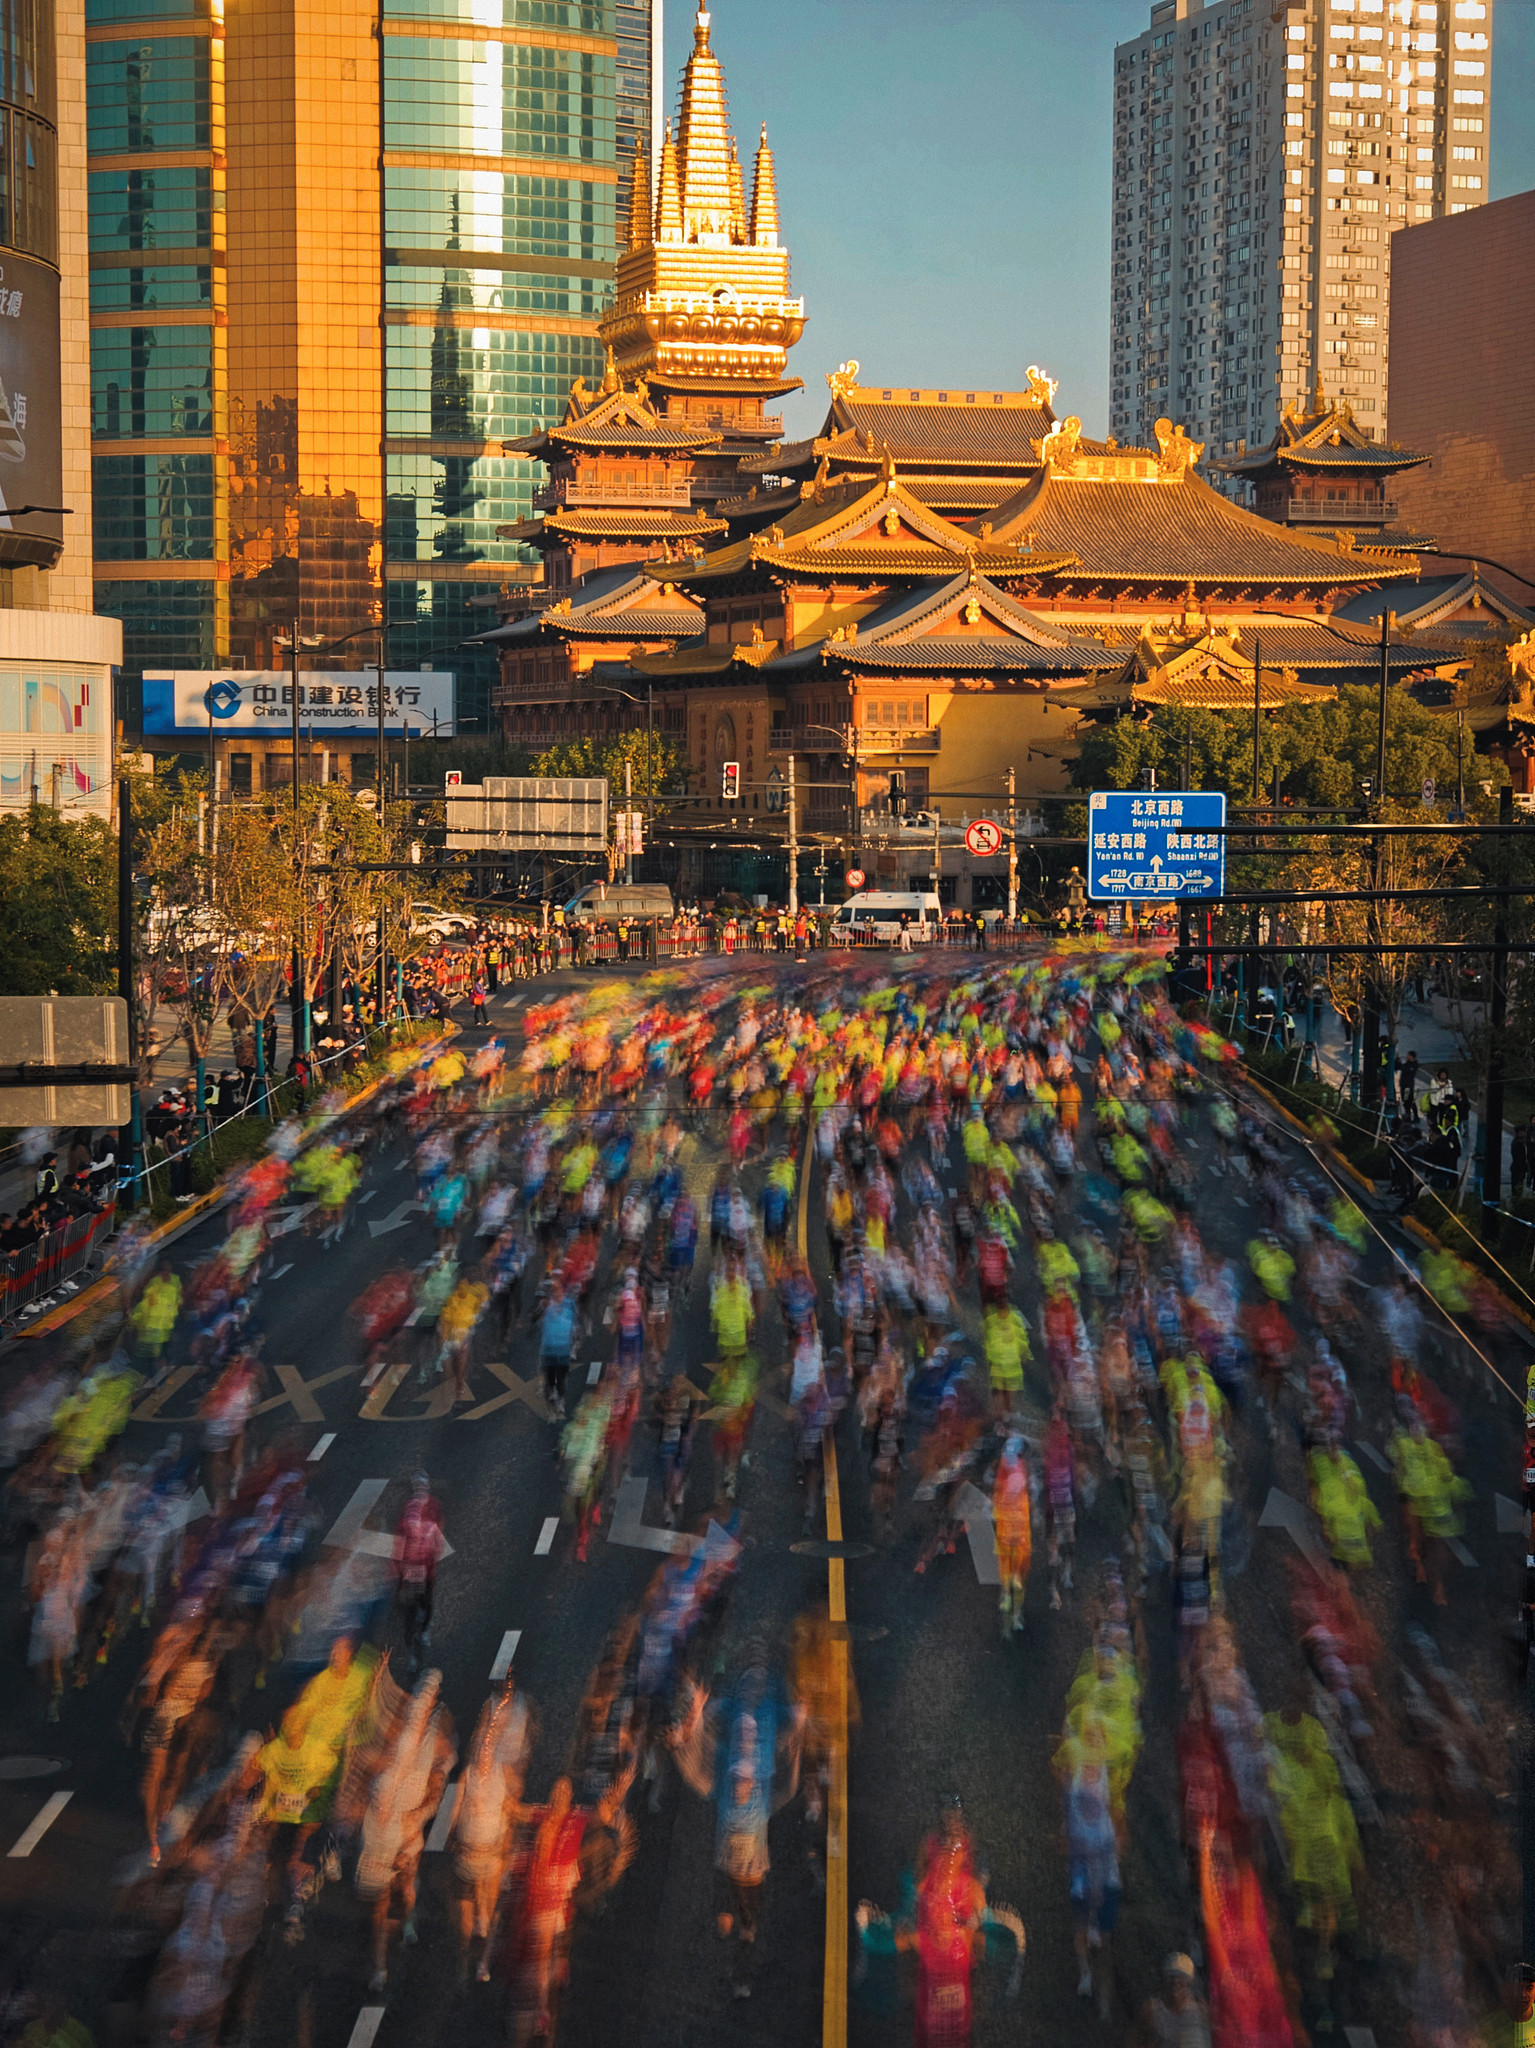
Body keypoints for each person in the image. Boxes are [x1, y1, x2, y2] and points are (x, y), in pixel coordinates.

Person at [393, 1472, 446, 1674]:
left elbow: (438, 1534)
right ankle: (411, 1656)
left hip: (426, 1566)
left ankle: (424, 1630)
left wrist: (433, 1558)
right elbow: (400, 1538)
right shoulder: (408, 1509)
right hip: (410, 1567)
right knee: (408, 1613)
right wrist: (398, 1569)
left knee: (427, 1600)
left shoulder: (434, 1507)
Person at [1136, 1952, 1213, 2048]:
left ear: (1190, 1982)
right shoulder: (1151, 2009)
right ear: (1163, 1979)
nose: (1175, 1981)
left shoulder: (1201, 2008)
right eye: (1171, 1976)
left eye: (1181, 1977)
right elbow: (1137, 2041)